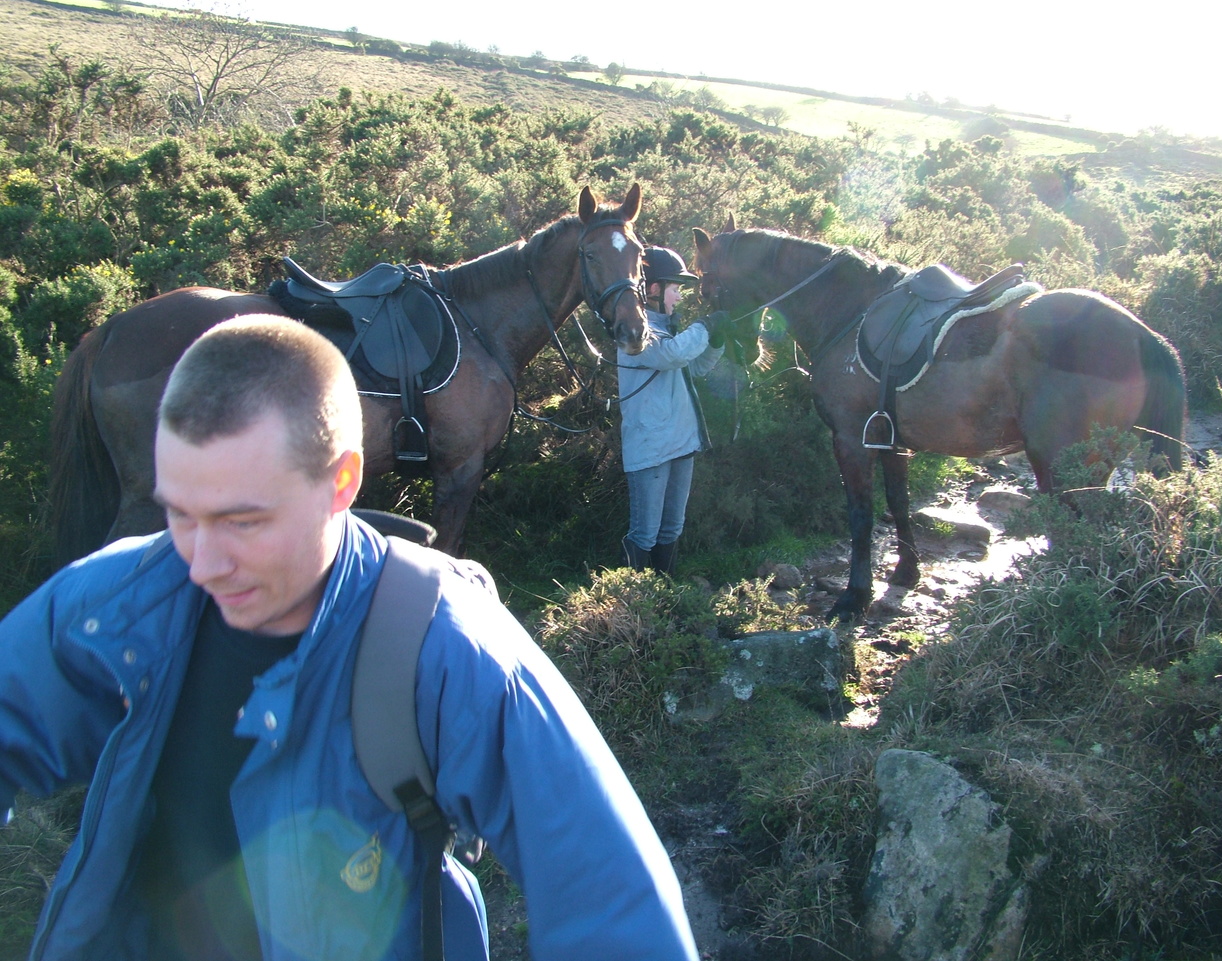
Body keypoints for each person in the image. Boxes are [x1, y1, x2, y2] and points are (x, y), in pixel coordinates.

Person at [0, 316, 698, 961]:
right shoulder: (121, 602)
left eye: (243, 521)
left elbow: (614, 903)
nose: (201, 563)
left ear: (342, 482)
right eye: (179, 513)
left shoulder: (444, 647)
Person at [618, 246, 727, 573]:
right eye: (675, 289)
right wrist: (706, 326)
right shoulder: (633, 333)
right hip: (651, 448)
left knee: (671, 530)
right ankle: (632, 605)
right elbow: (671, 356)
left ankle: (664, 597)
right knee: (645, 533)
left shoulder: (671, 330)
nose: (679, 297)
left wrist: (716, 341)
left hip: (681, 443)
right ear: (654, 289)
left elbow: (693, 368)